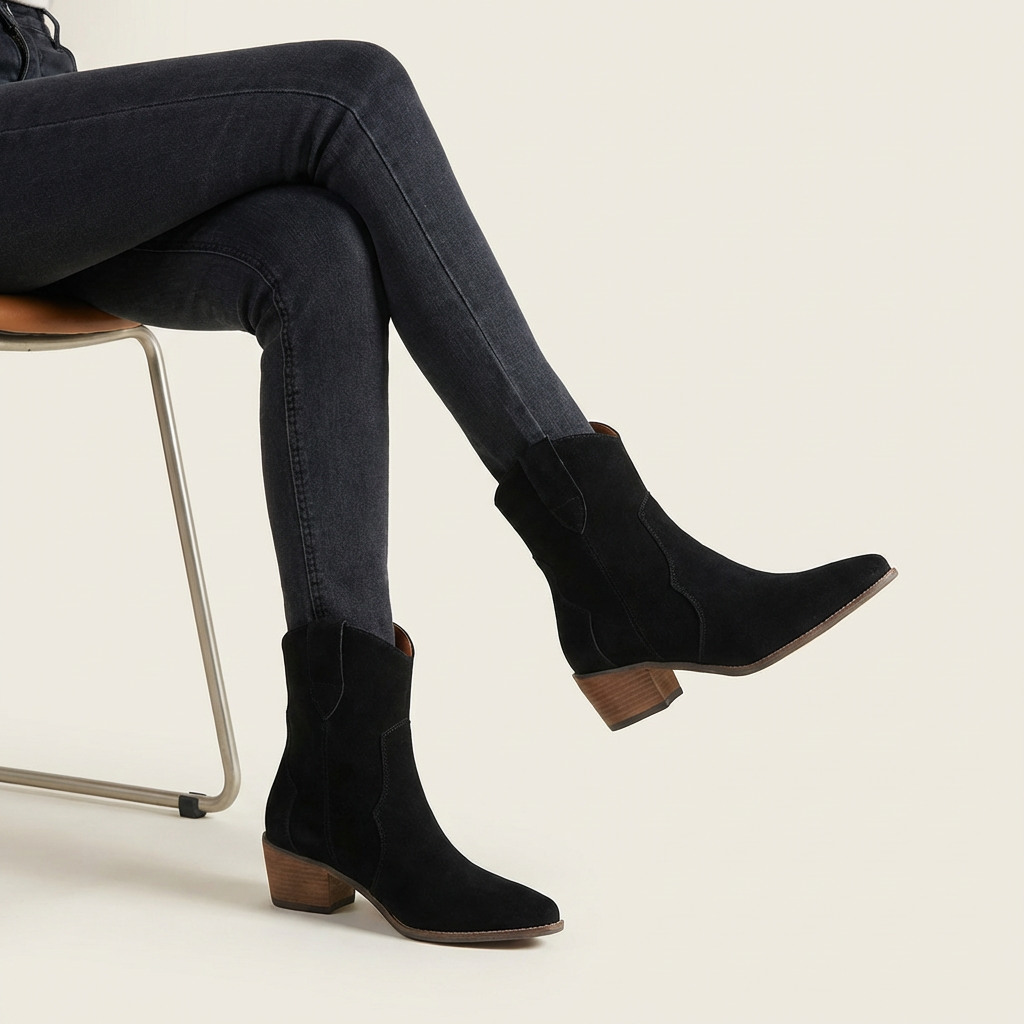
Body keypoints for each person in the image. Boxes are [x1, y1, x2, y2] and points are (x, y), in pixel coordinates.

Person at [0, 1, 895, 943]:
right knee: (351, 87)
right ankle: (619, 568)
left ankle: (341, 784)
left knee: (317, 249)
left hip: (37, 99)